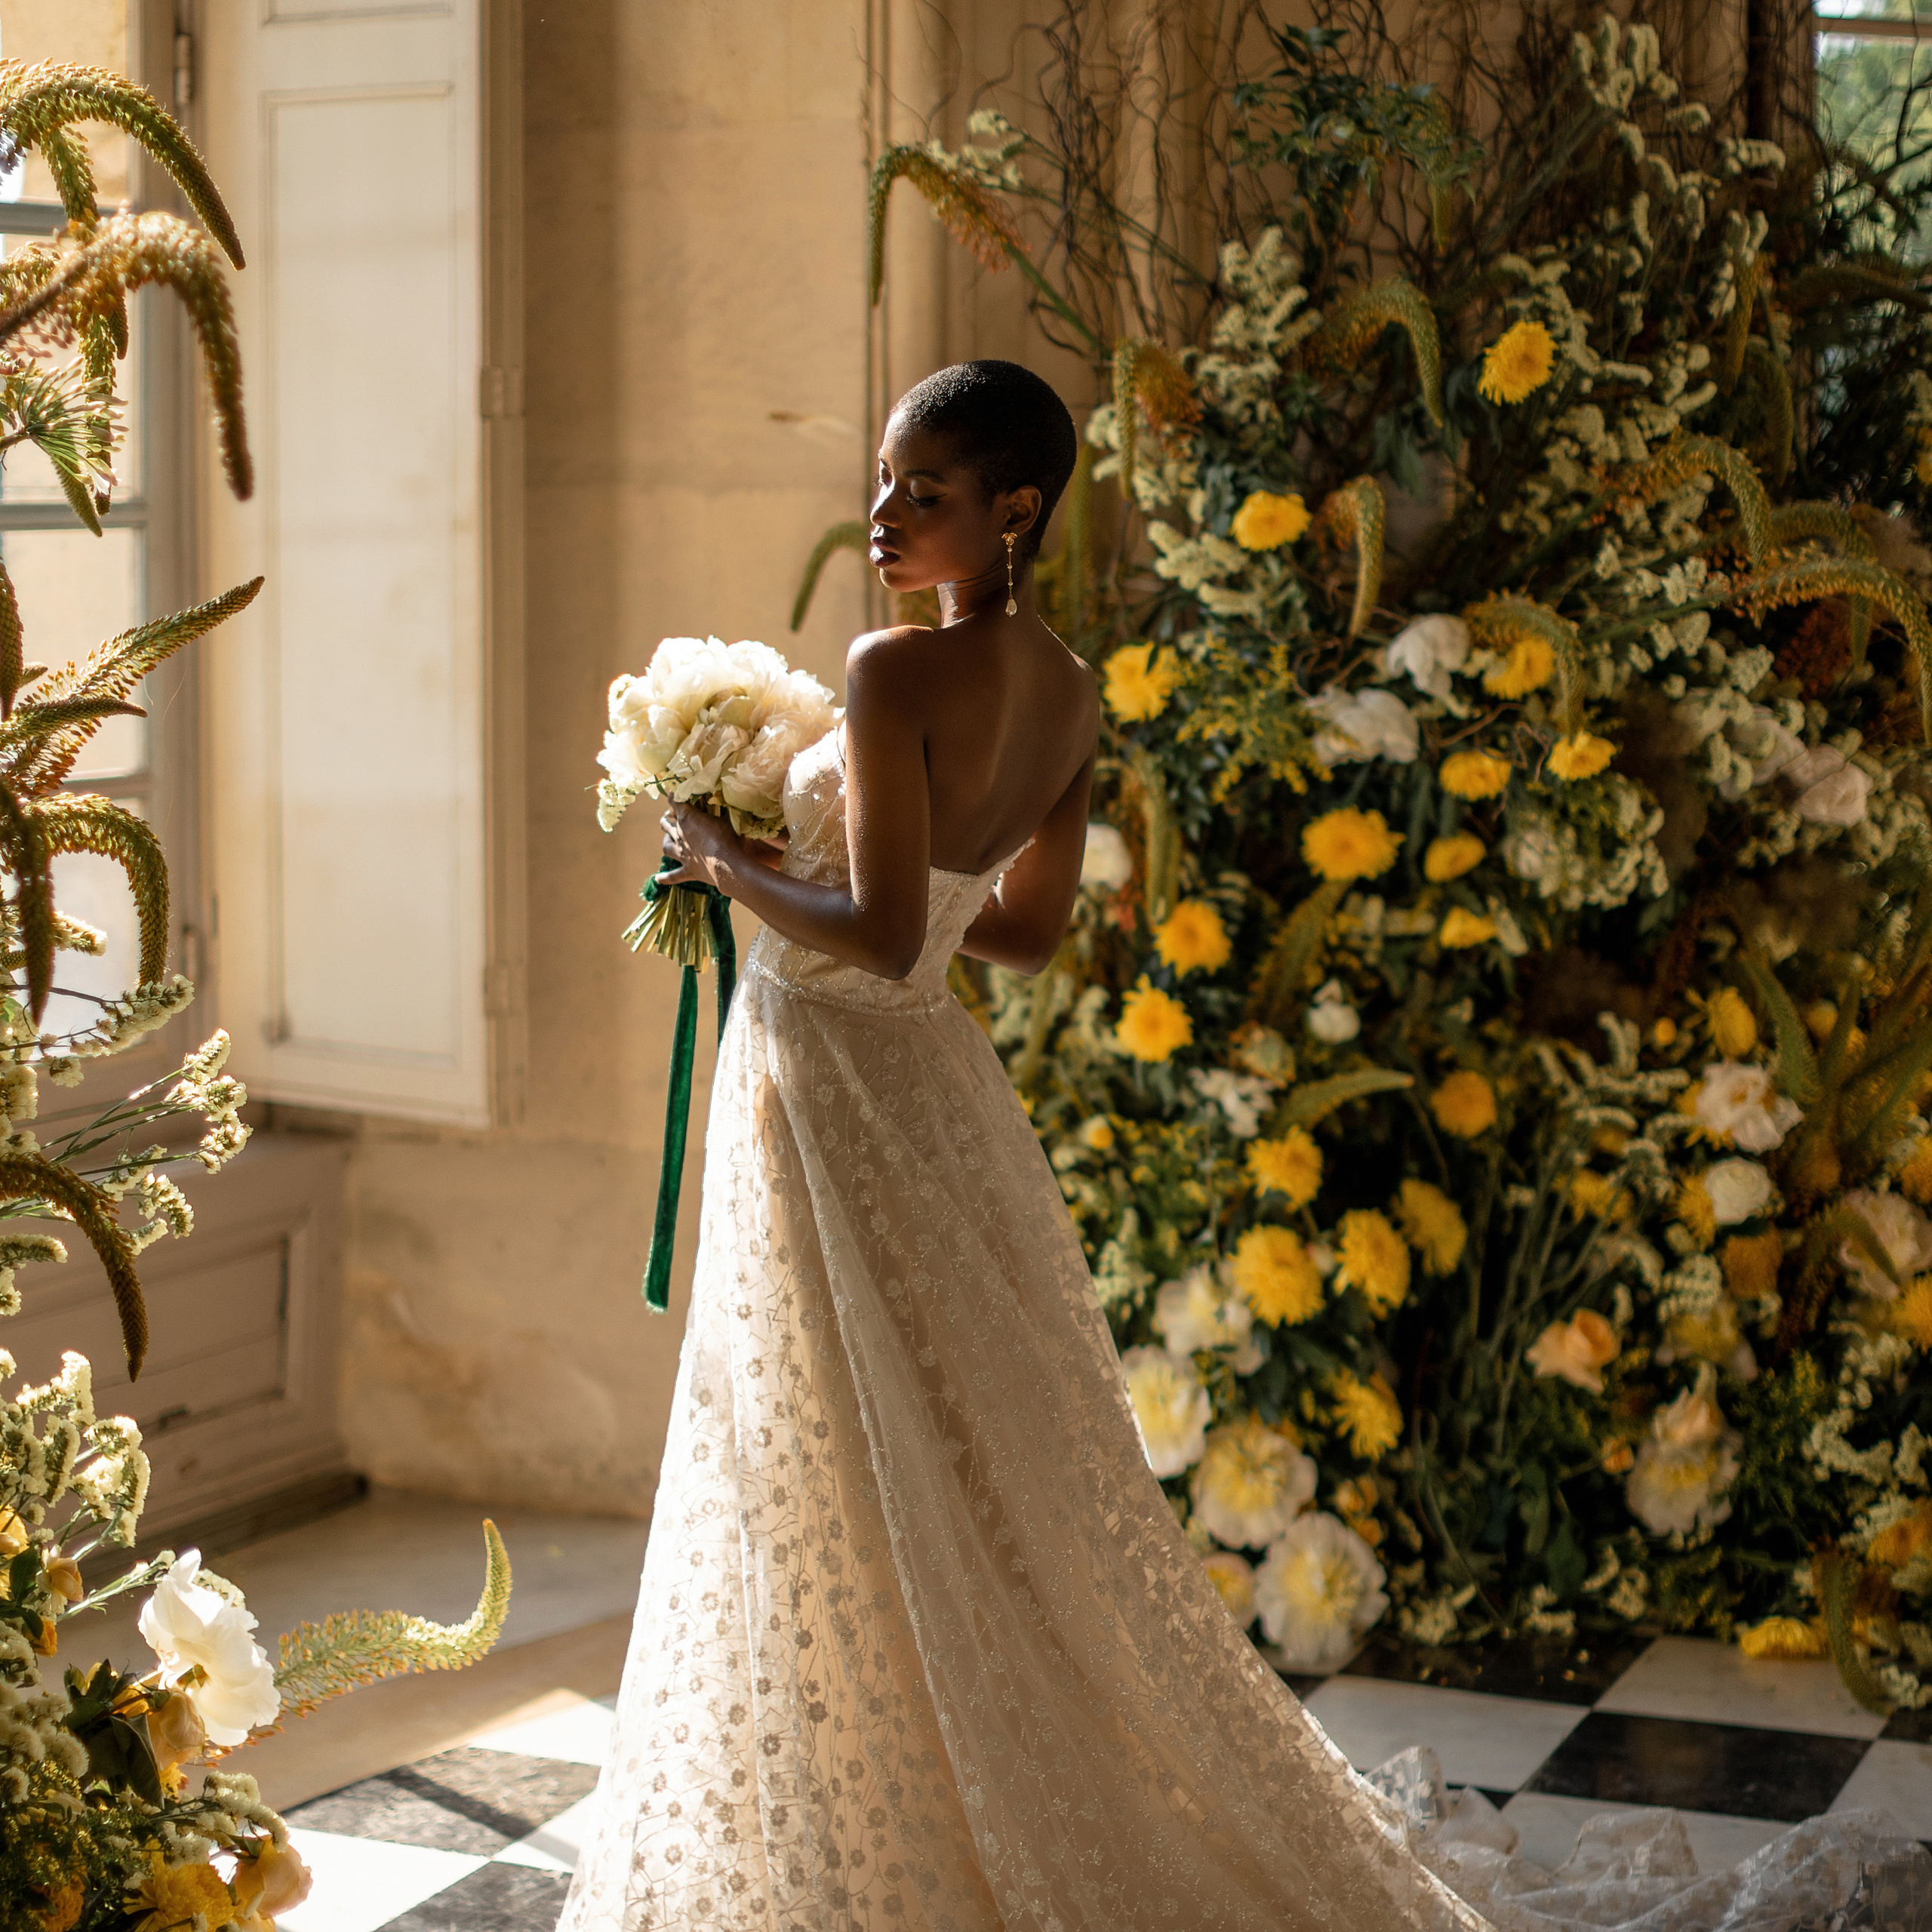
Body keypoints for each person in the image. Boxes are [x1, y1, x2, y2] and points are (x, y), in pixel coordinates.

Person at [556, 362, 1917, 1932]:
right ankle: (928, 1782)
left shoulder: (884, 671)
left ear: (1015, 509)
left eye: (921, 491)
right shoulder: (1068, 688)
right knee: (931, 1453)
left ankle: (887, 1823)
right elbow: (1022, 931)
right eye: (880, 480)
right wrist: (856, 879)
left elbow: (871, 935)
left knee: (837, 1444)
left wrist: (724, 852)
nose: (881, 514)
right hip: (931, 1091)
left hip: (838, 1083)